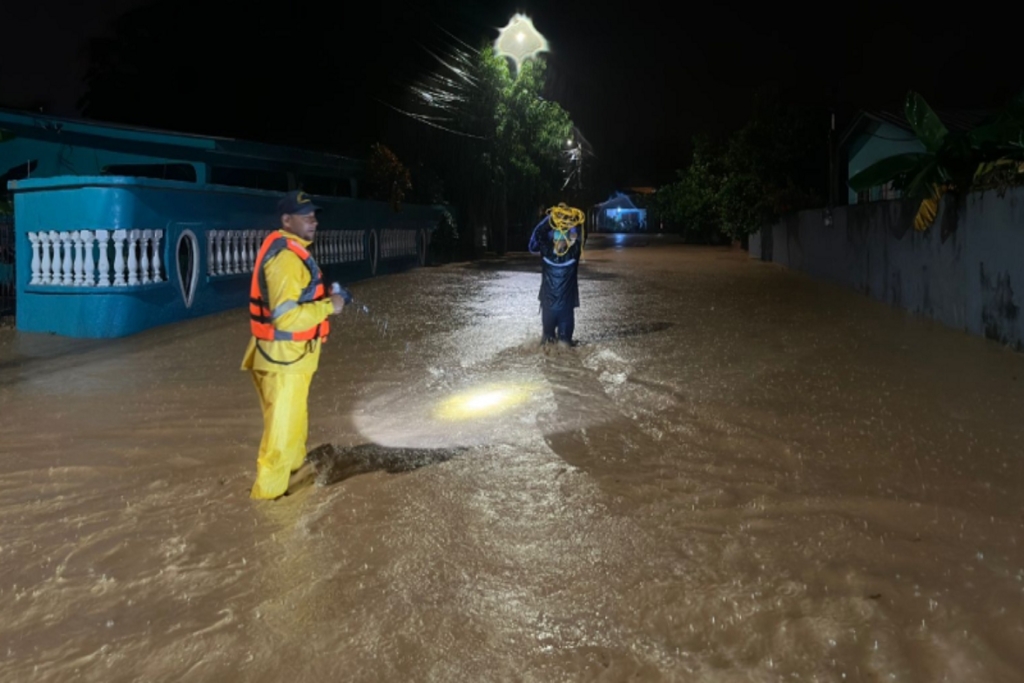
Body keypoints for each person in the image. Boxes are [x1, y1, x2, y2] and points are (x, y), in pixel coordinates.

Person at [242, 190, 350, 500]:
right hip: (283, 361)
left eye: (314, 215)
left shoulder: (292, 250)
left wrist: (325, 296)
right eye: (305, 216)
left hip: (288, 359)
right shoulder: (286, 258)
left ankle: (293, 484)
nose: (313, 221)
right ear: (286, 220)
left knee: (292, 429)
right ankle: (268, 508)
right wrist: (331, 306)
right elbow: (285, 318)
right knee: (279, 439)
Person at [528, 203, 584, 346]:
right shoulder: (573, 254)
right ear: (569, 241)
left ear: (553, 239)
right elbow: (581, 232)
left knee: (546, 344)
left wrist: (552, 218)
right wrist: (570, 219)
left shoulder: (546, 253)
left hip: (548, 308)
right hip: (566, 310)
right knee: (566, 346)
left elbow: (539, 233)